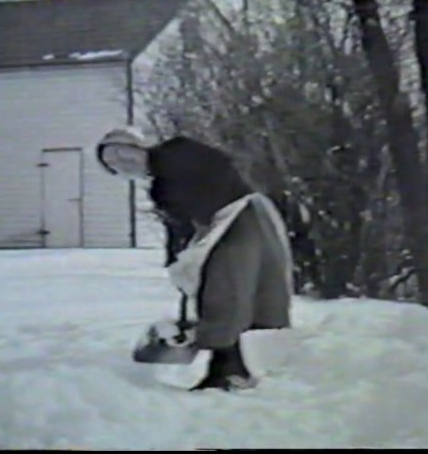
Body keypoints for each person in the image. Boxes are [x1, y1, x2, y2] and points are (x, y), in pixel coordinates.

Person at [97, 128, 293, 391]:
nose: (121, 162)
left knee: (226, 292)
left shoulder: (176, 152)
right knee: (215, 294)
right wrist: (177, 263)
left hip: (240, 218)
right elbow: (178, 227)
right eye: (111, 163)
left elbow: (221, 165)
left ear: (140, 147)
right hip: (218, 228)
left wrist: (188, 249)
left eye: (123, 152)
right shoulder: (159, 187)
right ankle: (230, 367)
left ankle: (230, 372)